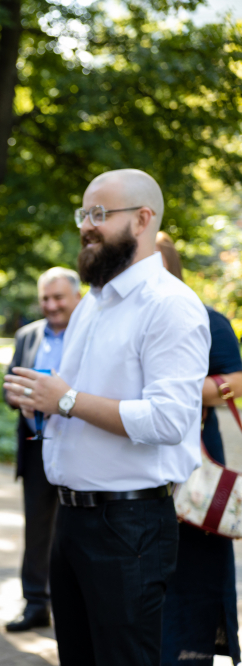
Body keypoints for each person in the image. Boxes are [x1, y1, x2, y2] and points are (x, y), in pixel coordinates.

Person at [5, 169, 210, 665]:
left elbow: (168, 421)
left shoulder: (170, 305)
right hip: (72, 520)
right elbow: (74, 398)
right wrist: (42, 400)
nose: (86, 226)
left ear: (142, 219)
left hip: (129, 526)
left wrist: (66, 400)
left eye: (100, 214)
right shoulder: (92, 304)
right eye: (83, 213)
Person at [155, 233, 241, 666]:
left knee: (195, 570)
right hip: (147, 469)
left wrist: (184, 391)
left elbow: (237, 381)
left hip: (198, 466)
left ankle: (190, 655)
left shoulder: (207, 319)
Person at [3, 267, 81, 632]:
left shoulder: (89, 332)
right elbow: (9, 385)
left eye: (58, 297)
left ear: (77, 297)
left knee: (75, 529)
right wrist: (18, 397)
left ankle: (75, 605)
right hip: (36, 444)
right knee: (36, 526)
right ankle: (36, 603)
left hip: (79, 443)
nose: (51, 305)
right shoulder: (27, 335)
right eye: (45, 298)